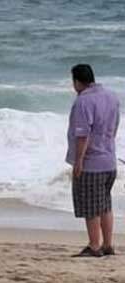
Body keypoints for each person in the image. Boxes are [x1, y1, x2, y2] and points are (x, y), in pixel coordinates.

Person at [67, 64, 120, 257]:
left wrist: (79, 161)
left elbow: (83, 134)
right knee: (105, 204)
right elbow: (114, 127)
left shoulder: (84, 101)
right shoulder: (112, 96)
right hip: (109, 159)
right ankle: (107, 244)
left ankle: (94, 245)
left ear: (77, 82)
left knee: (91, 206)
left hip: (92, 162)